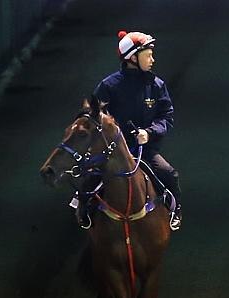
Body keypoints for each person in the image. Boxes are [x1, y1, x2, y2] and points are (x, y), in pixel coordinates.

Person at [76, 30, 182, 231]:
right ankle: (83, 209)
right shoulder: (108, 86)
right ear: (132, 57)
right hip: (112, 153)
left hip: (145, 151)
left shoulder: (157, 85)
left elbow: (166, 116)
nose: (152, 59)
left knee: (170, 174)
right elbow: (92, 116)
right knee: (89, 179)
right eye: (148, 55)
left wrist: (149, 133)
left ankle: (175, 210)